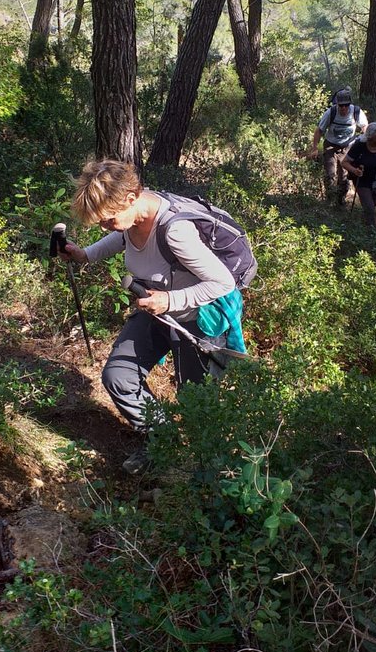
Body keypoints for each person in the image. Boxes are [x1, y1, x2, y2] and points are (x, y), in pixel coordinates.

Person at [59, 159, 241, 474]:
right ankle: (162, 440)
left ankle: (208, 476)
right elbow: (124, 235)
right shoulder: (134, 215)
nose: (106, 226)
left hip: (199, 318)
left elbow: (222, 282)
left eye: (108, 219)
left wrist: (171, 299)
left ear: (131, 199)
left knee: (196, 402)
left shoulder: (175, 231)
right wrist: (86, 255)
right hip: (156, 308)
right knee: (118, 376)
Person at [309, 90, 368, 205]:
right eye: (341, 105)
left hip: (348, 147)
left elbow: (365, 126)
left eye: (346, 105)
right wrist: (315, 147)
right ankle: (329, 199)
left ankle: (340, 201)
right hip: (331, 146)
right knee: (330, 173)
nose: (344, 108)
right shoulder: (331, 112)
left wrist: (364, 141)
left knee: (344, 176)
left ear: (349, 104)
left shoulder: (356, 112)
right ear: (337, 104)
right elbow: (319, 130)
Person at [341, 122, 376, 227]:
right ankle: (370, 230)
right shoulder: (360, 145)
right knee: (369, 208)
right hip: (362, 181)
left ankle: (365, 224)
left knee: (372, 205)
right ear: (369, 137)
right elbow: (344, 162)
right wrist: (355, 170)